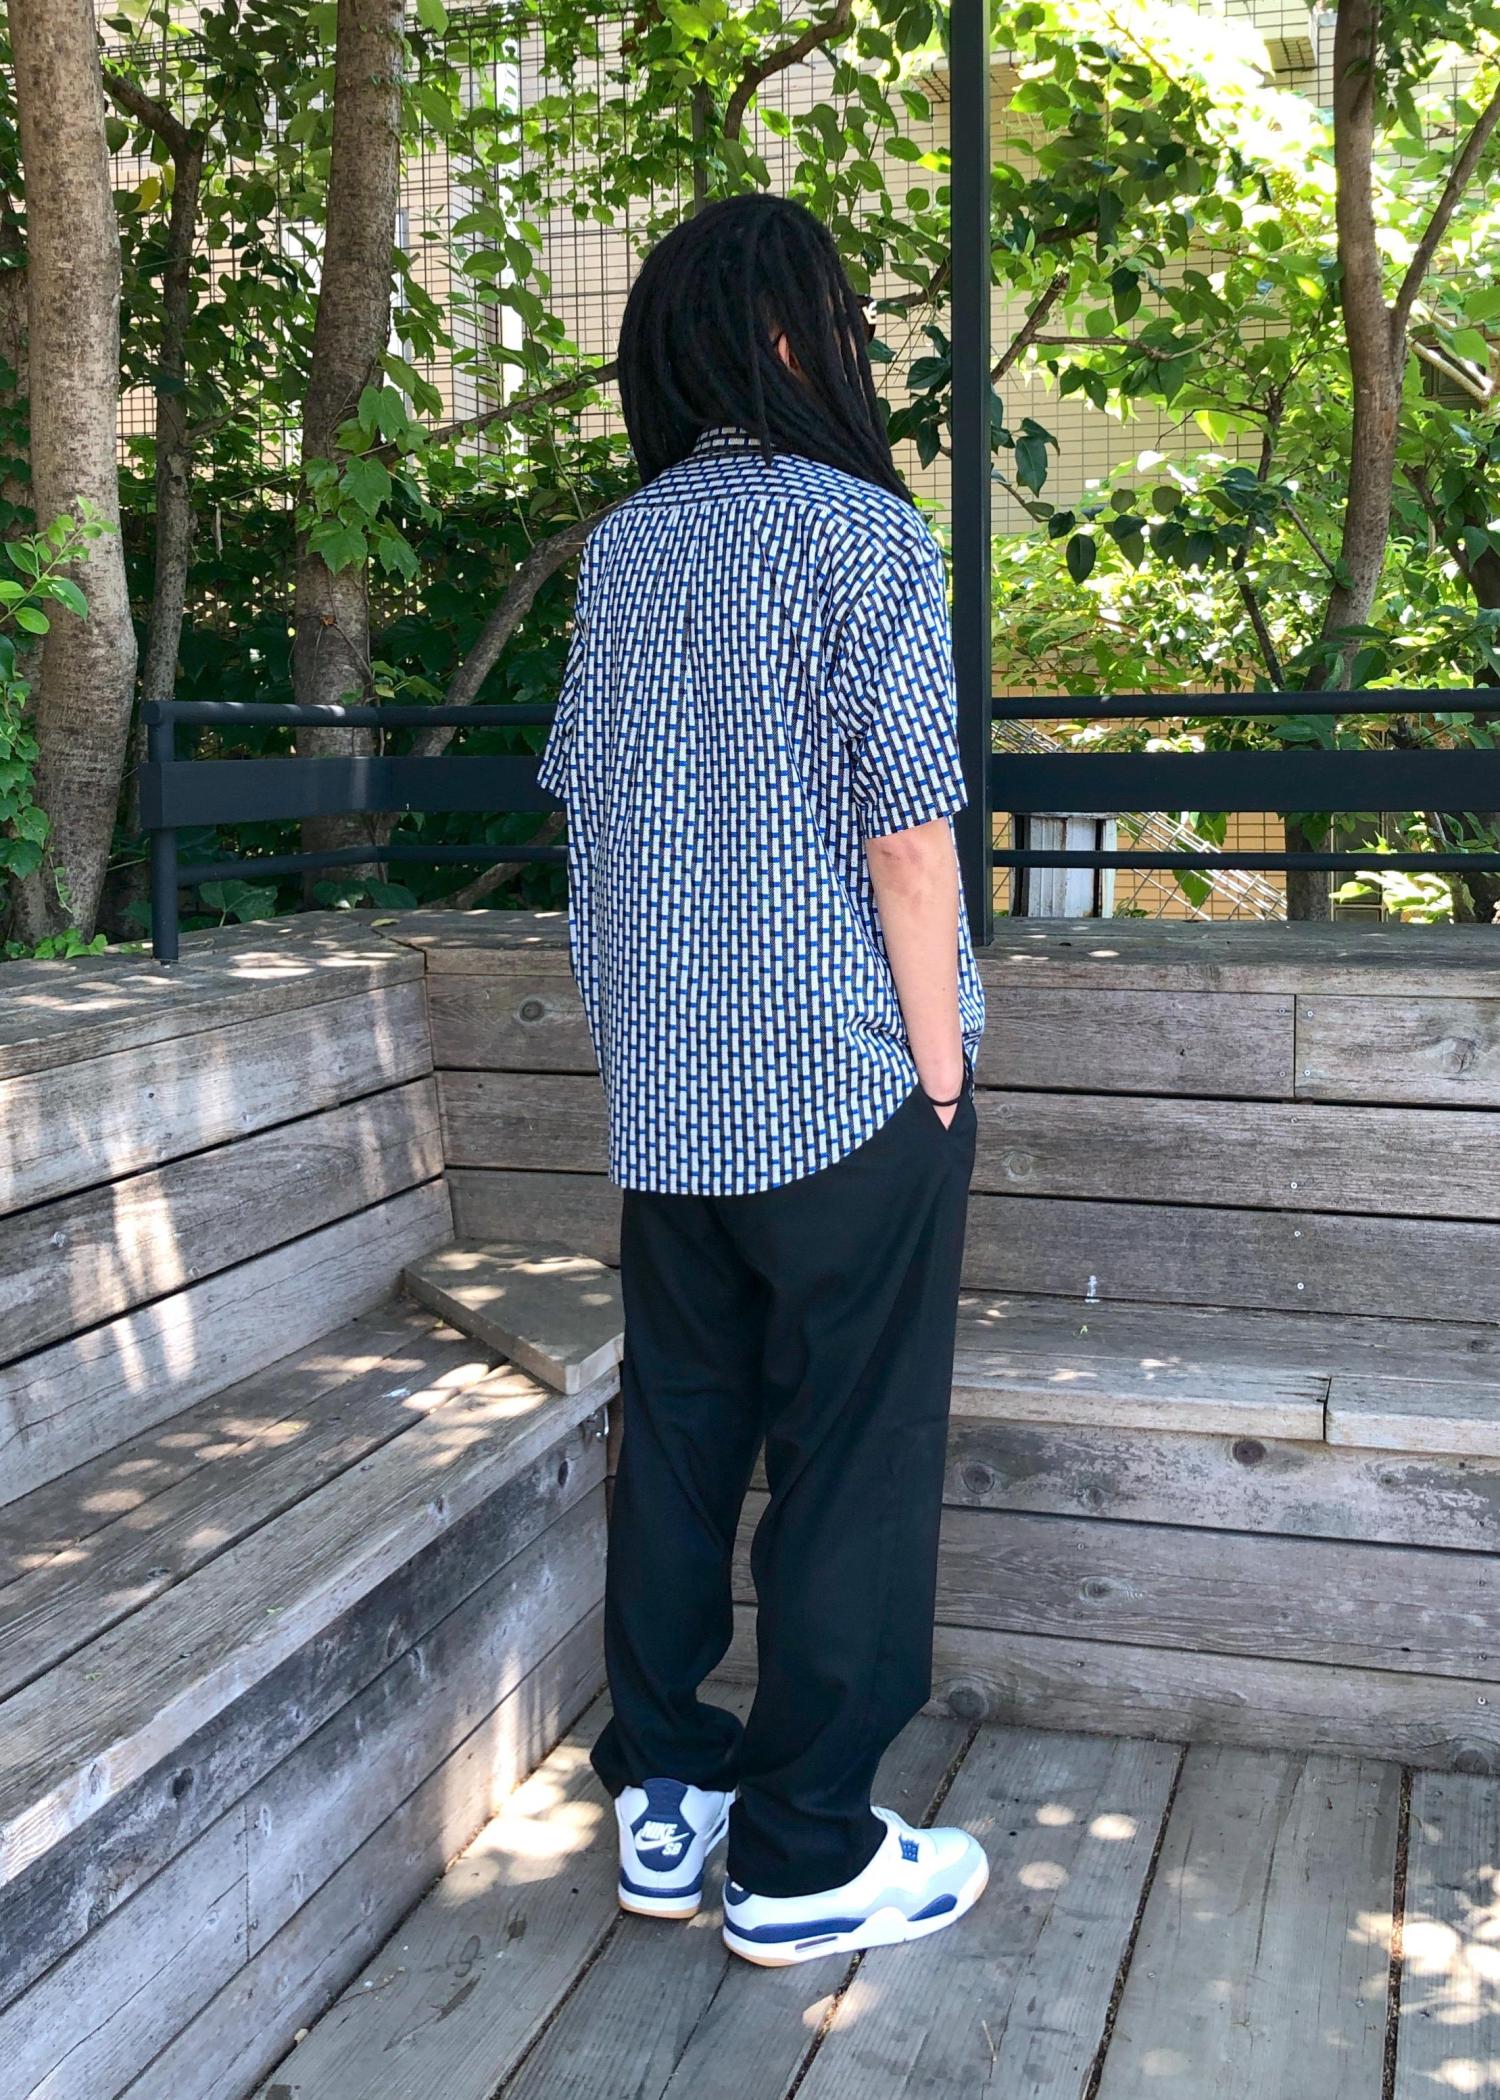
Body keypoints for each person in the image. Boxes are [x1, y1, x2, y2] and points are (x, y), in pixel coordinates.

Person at [536, 190, 987, 1969]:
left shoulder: (625, 551)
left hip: (672, 1105)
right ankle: (804, 1856)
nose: (855, 347)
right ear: (796, 339)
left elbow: (593, 821)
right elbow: (912, 845)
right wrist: (940, 1078)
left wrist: (643, 1052)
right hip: (848, 1092)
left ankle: (670, 1799)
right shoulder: (861, 535)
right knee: (852, 1462)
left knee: (682, 1437)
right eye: (844, 321)